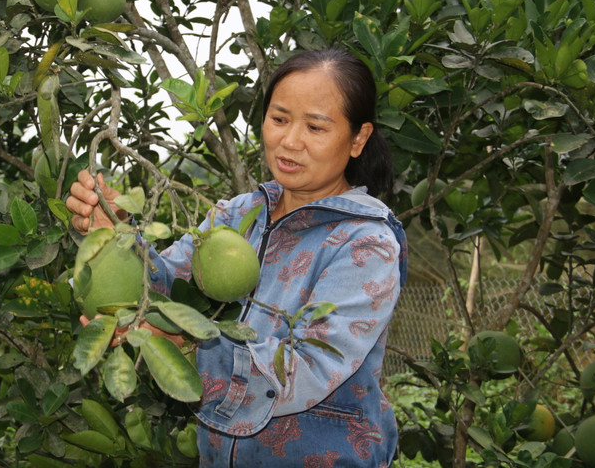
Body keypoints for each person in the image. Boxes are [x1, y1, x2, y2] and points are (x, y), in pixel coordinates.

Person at [66, 48, 408, 467]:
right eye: (279, 119)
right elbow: (164, 285)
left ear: (358, 138)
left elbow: (308, 366)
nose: (290, 140)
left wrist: (188, 347)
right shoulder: (238, 216)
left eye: (315, 127)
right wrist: (113, 234)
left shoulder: (365, 244)